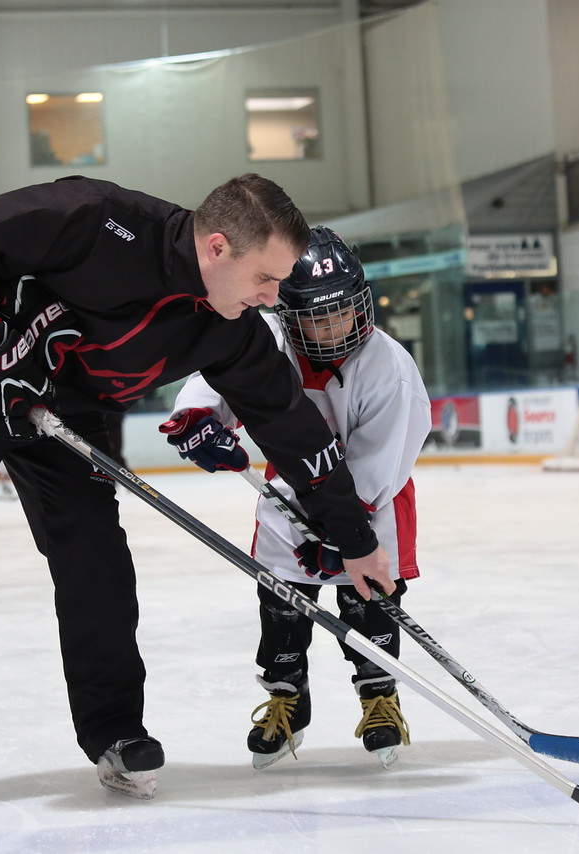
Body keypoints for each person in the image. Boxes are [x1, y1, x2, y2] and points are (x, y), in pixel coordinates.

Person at [0, 173, 392, 826]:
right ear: (218, 248)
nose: (273, 299)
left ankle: (113, 730)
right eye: (265, 280)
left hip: (64, 415)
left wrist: (356, 542)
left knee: (97, 562)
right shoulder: (100, 219)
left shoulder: (232, 328)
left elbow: (294, 429)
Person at [164, 227, 430, 770]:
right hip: (285, 499)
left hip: (371, 507)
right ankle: (288, 699)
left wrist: (345, 534)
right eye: (316, 315)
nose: (333, 326)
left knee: (368, 602)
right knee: (281, 606)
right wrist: (199, 420)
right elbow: (215, 380)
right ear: (287, 313)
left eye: (341, 312)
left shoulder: (389, 367)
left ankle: (380, 697)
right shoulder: (267, 340)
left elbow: (380, 463)